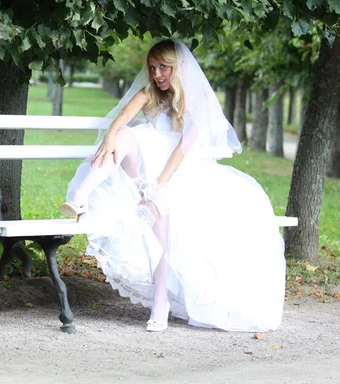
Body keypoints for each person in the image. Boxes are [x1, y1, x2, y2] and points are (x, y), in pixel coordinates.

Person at [60, 39, 286, 332]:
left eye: (163, 67)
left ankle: (160, 302)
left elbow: (182, 151)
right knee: (126, 135)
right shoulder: (149, 94)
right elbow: (124, 117)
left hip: (178, 174)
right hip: (139, 173)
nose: (156, 74)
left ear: (178, 67)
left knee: (160, 213)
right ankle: (80, 197)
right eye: (152, 68)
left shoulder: (200, 103)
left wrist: (158, 186)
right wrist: (111, 135)